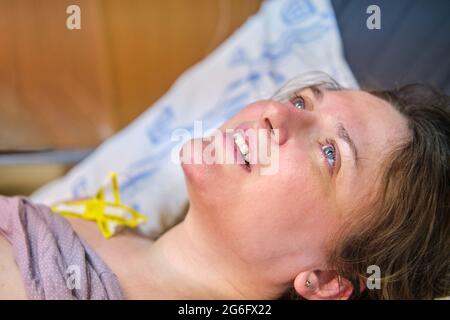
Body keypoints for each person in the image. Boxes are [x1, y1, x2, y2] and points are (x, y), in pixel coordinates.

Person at [1, 72, 449, 300]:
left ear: (326, 279)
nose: (276, 112)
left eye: (331, 152)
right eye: (301, 100)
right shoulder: (105, 216)